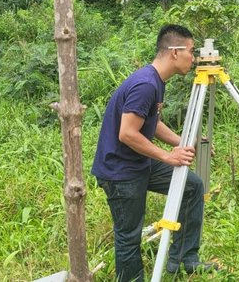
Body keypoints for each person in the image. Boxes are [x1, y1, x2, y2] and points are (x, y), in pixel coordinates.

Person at [91, 24, 218, 281]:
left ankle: (183, 259)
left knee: (192, 187)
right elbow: (127, 133)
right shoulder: (146, 84)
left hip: (139, 163)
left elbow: (151, 123)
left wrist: (184, 142)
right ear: (174, 52)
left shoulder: (157, 81)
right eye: (191, 51)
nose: (193, 59)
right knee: (129, 235)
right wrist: (167, 156)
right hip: (120, 171)